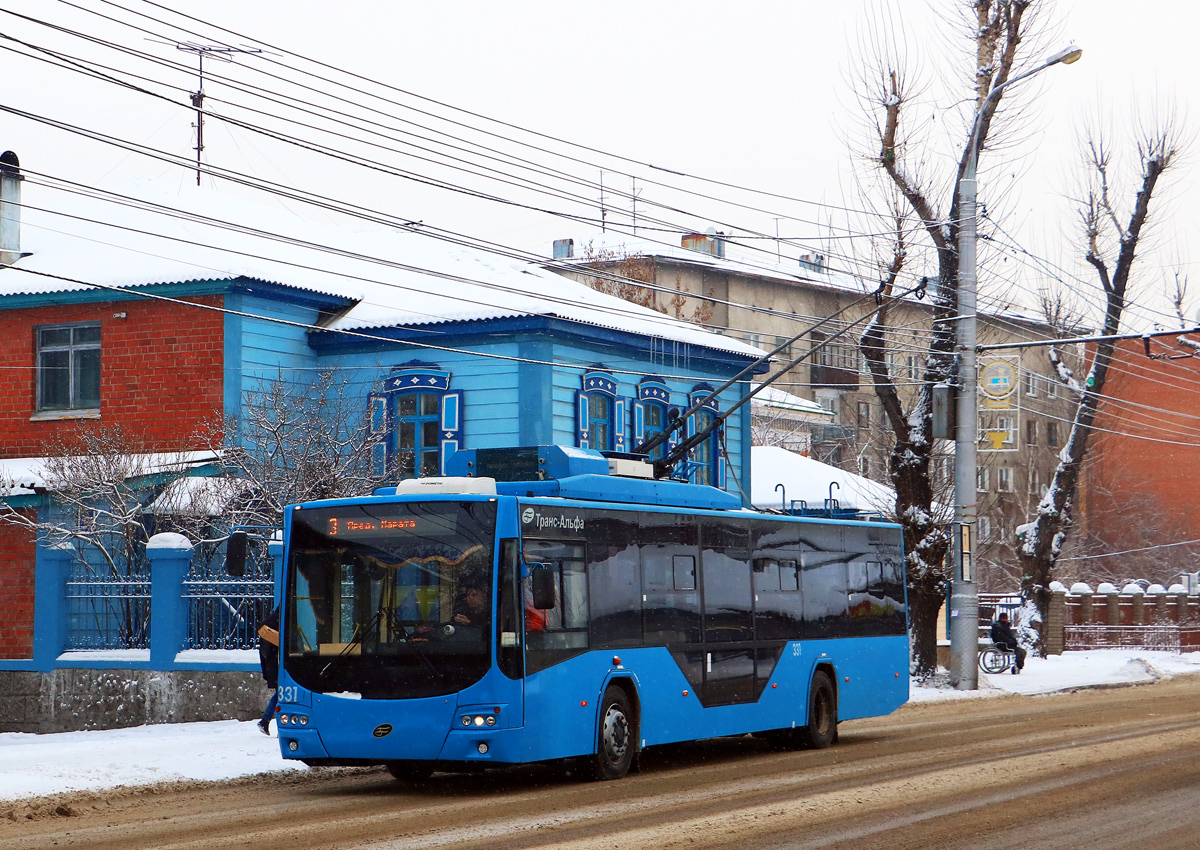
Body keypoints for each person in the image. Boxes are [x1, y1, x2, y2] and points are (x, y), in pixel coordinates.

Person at [257, 606, 281, 735]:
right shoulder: (276, 631)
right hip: (278, 669)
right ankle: (266, 721)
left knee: (280, 695)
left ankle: (266, 721)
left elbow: (263, 655)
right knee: (281, 696)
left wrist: (266, 673)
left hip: (273, 669)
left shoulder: (268, 629)